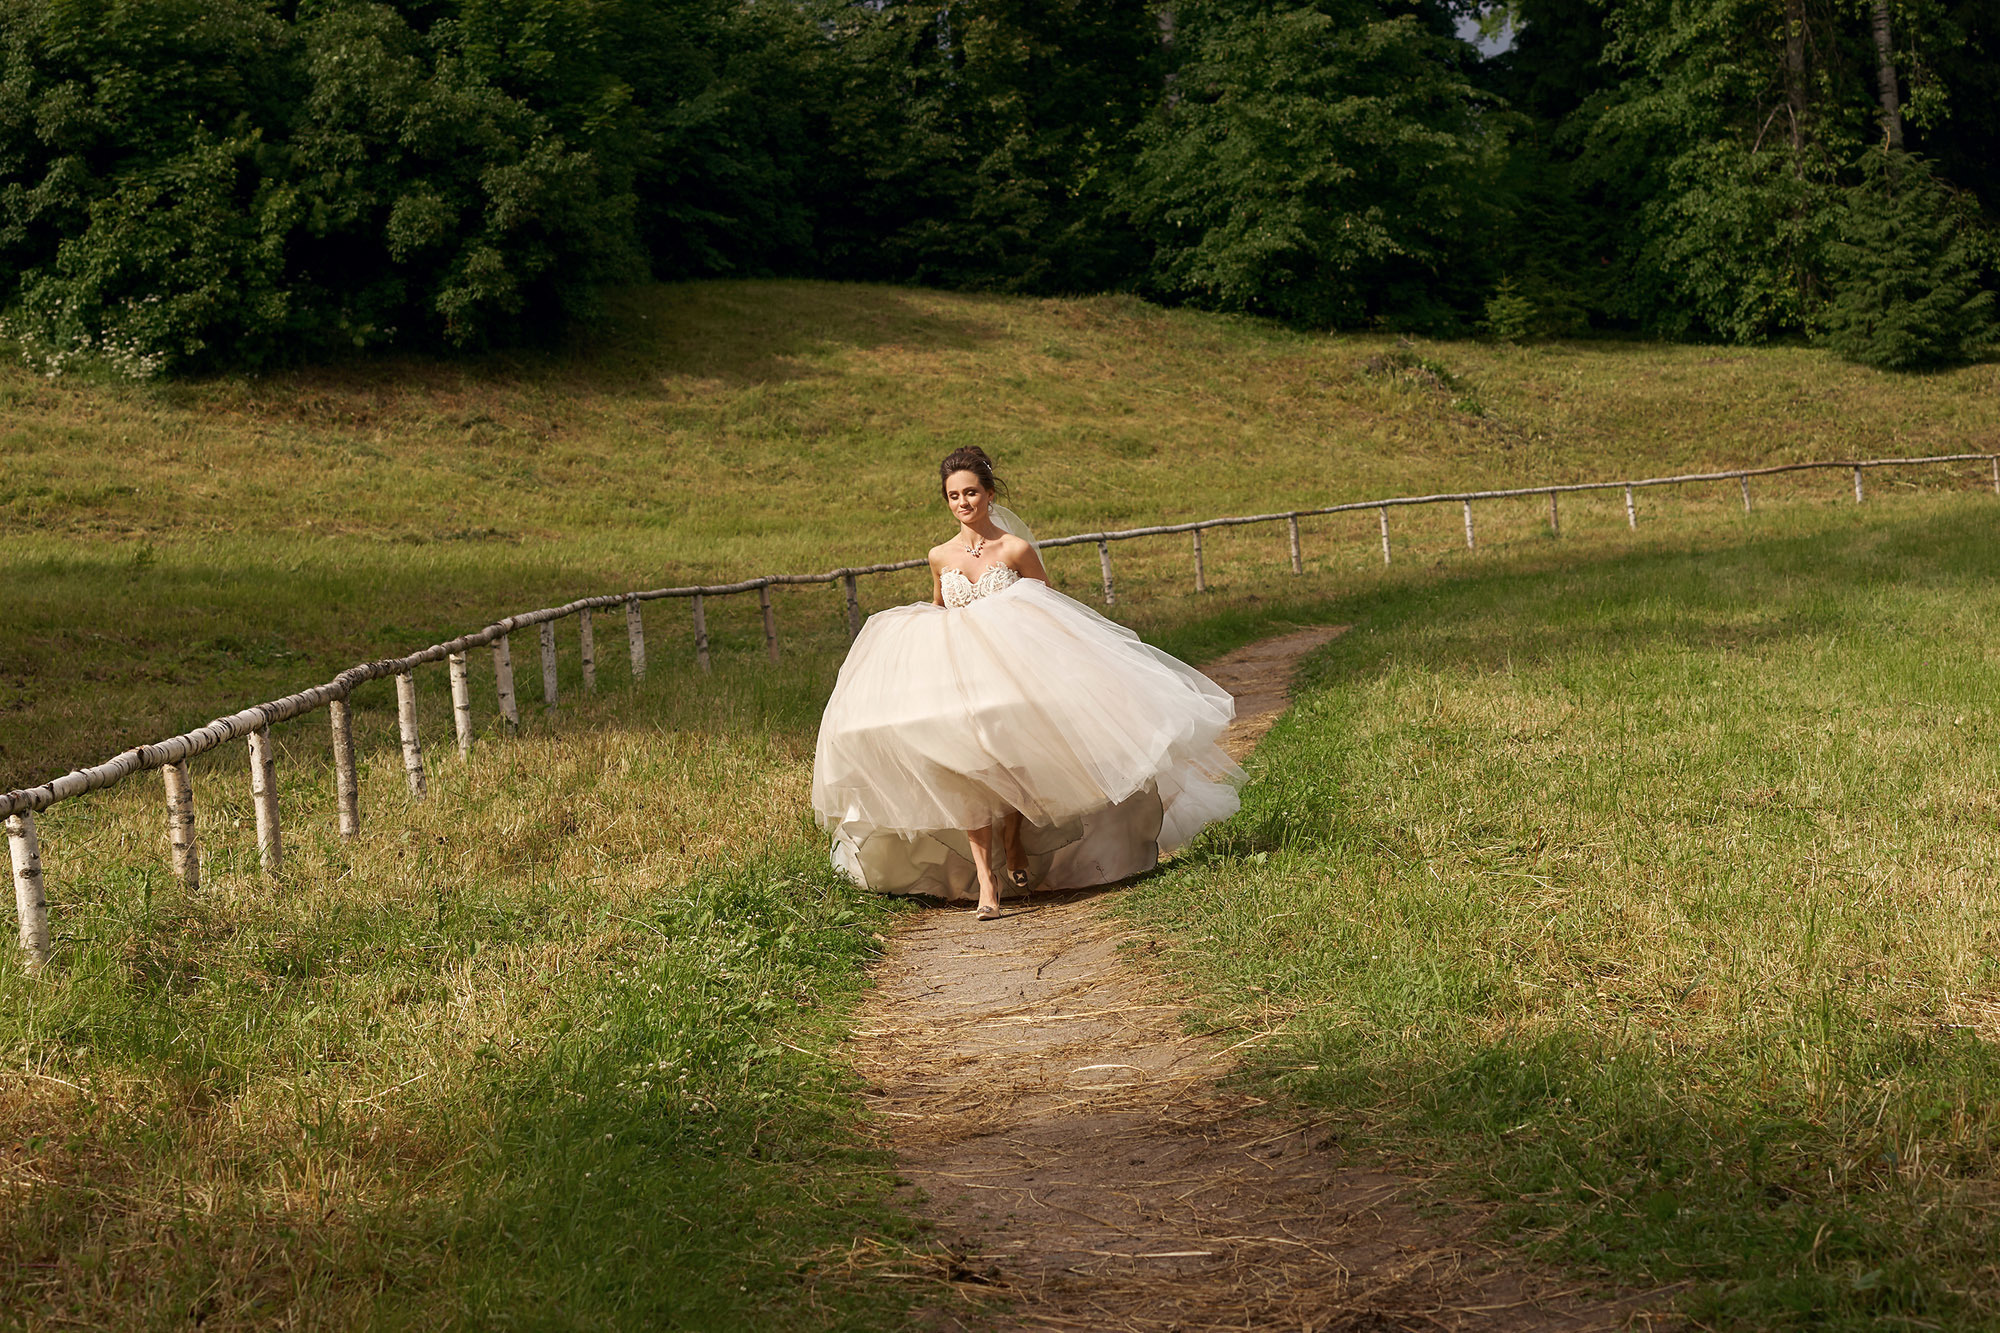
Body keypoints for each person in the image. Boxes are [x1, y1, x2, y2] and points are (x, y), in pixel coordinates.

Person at [811, 447, 1243, 919]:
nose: (962, 503)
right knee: (965, 768)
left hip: (1010, 674)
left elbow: (1047, 609)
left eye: (971, 492)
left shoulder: (1015, 550)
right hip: (960, 679)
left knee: (1011, 758)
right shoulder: (939, 556)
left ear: (989, 494)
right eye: (953, 496)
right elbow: (939, 612)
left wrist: (1074, 667)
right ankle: (986, 883)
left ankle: (1014, 841)